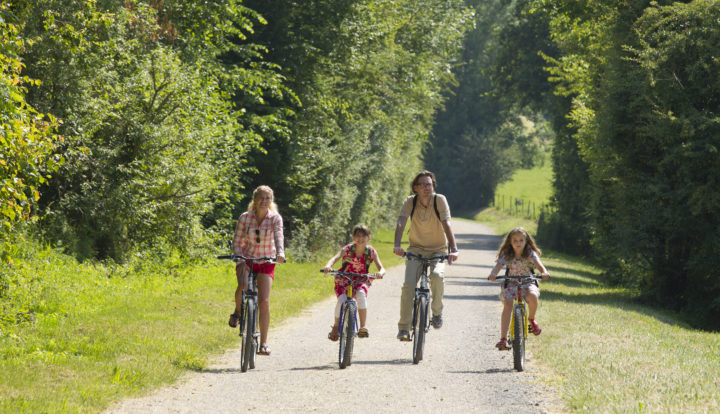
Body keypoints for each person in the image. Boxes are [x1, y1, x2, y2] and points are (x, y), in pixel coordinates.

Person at [393, 171, 459, 341]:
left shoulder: (439, 200)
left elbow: (446, 223)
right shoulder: (410, 202)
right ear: (415, 188)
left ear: (433, 186)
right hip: (416, 249)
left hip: (438, 249)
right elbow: (401, 221)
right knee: (408, 285)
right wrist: (397, 245)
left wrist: (454, 248)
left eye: (429, 184)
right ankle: (404, 328)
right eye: (422, 185)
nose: (426, 188)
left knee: (437, 276)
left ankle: (436, 312)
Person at [229, 185, 285, 356]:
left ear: (271, 201)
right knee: (243, 285)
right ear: (254, 199)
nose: (264, 201)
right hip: (246, 259)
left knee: (264, 301)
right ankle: (238, 312)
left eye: (267, 198)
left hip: (267, 260)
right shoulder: (245, 218)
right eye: (261, 198)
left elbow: (278, 236)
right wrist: (238, 256)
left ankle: (264, 343)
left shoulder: (275, 218)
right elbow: (237, 240)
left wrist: (280, 253)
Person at [488, 227, 550, 350]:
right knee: (508, 304)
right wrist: (493, 274)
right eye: (515, 240)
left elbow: (539, 266)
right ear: (510, 242)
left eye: (521, 240)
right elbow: (498, 266)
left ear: (526, 241)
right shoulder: (507, 254)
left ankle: (531, 320)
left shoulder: (530, 253)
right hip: (511, 283)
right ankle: (503, 339)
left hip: (528, 281)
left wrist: (544, 272)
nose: (518, 243)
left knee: (532, 296)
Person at [323, 224, 386, 340]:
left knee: (361, 294)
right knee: (342, 301)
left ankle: (363, 327)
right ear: (353, 237)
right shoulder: (348, 249)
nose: (360, 239)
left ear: (369, 238)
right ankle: (336, 327)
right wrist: (328, 266)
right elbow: (335, 258)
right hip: (344, 278)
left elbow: (381, 268)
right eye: (357, 236)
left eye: (364, 236)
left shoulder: (371, 252)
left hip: (361, 279)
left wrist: (380, 273)